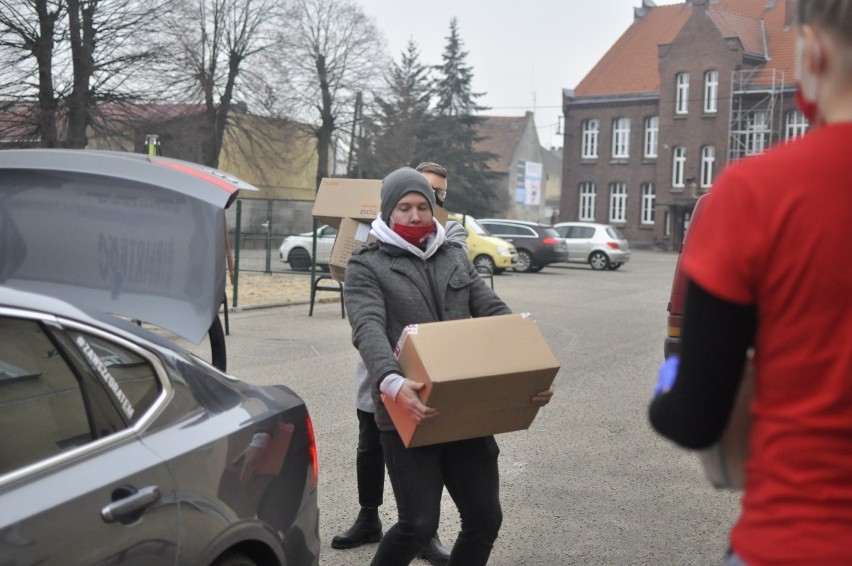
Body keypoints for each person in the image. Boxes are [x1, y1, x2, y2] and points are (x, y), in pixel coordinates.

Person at [648, 1, 852, 564]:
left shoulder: (758, 193)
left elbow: (694, 415)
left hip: (797, 539)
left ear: (813, 52)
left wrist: (667, 382)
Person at [344, 167, 554, 566]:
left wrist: (530, 365)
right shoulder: (366, 265)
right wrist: (391, 381)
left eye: (423, 206)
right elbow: (368, 327)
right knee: (418, 524)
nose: (415, 215)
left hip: (464, 410)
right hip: (409, 409)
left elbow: (491, 311)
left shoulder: (453, 253)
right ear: (388, 213)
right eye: (404, 207)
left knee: (485, 518)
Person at [331, 162, 466, 565]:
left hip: (430, 370)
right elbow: (365, 311)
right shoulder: (374, 245)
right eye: (427, 190)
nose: (431, 201)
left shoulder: (451, 233)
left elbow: (457, 263)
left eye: (437, 195)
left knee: (427, 452)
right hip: (381, 366)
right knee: (369, 442)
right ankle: (368, 516)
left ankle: (425, 531)